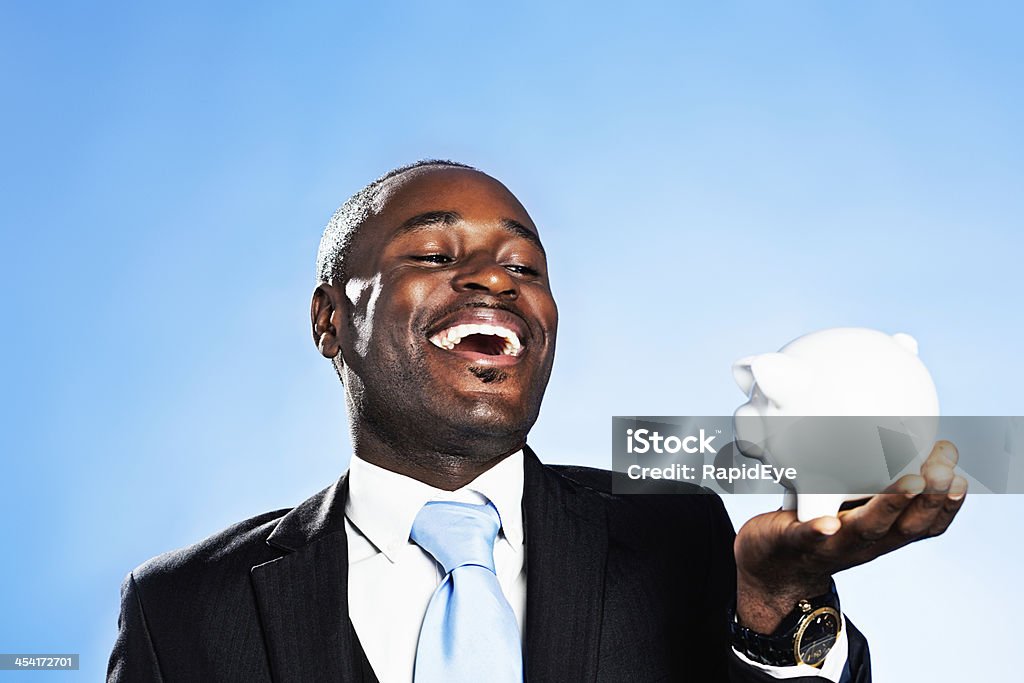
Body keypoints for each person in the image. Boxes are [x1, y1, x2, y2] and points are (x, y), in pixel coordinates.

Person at [107, 160, 967, 682]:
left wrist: (775, 603)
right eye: (436, 254)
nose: (495, 279)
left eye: (525, 263)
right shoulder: (183, 605)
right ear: (330, 319)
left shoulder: (682, 537)